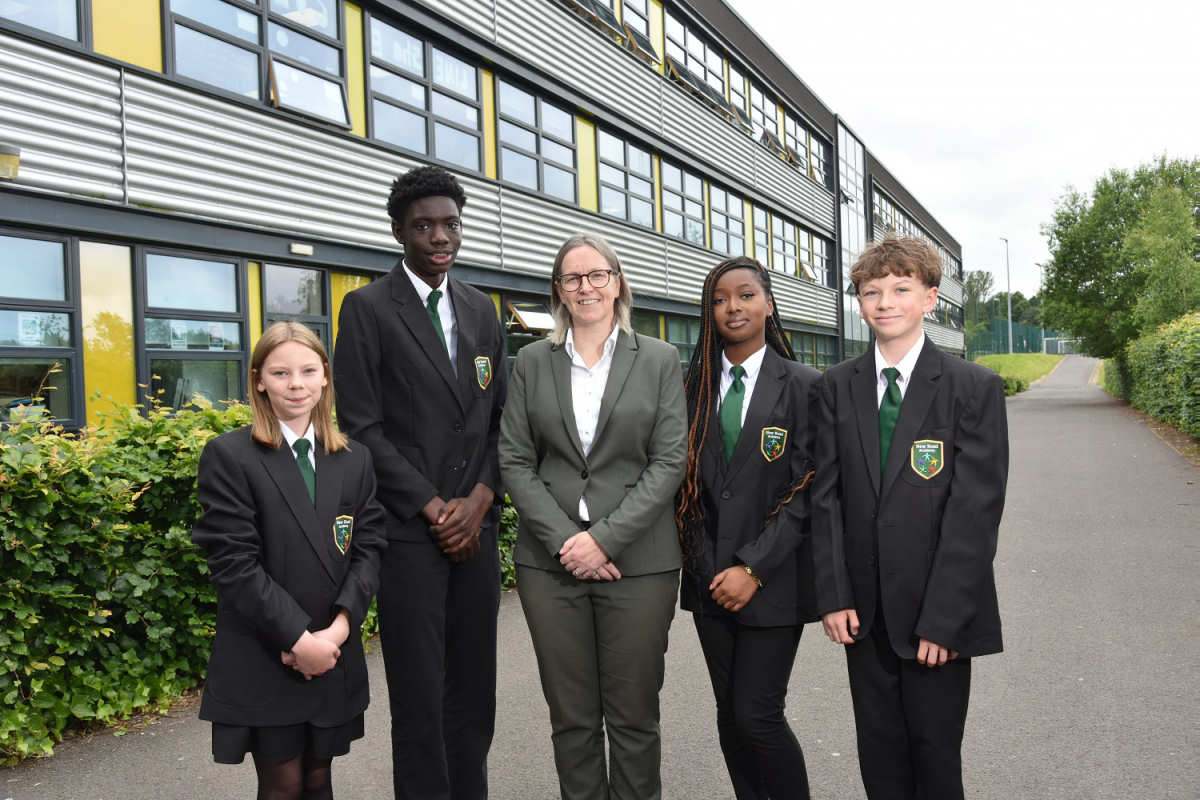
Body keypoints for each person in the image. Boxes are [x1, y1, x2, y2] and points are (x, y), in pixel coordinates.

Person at [811, 237, 1009, 800]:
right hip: (864, 614)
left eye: (901, 289)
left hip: (935, 617)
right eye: (871, 292)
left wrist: (944, 618)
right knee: (879, 755)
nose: (885, 302)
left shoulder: (973, 389)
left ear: (930, 297)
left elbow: (975, 514)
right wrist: (833, 593)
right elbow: (824, 497)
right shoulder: (835, 388)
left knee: (934, 756)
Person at [333, 165, 506, 800]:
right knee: (419, 699)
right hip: (412, 537)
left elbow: (499, 420)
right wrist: (437, 508)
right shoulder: (368, 309)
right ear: (399, 231)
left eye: (450, 224)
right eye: (424, 225)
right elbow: (362, 427)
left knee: (474, 693)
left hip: (477, 533)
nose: (441, 237)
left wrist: (481, 498)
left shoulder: (481, 309)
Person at [499, 233, 687, 800]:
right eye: (573, 278)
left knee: (632, 716)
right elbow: (513, 457)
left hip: (639, 564)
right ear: (558, 291)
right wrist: (567, 541)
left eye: (597, 275)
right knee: (572, 716)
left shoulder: (658, 358)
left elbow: (669, 458)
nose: (586, 287)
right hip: (550, 566)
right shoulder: (532, 361)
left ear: (617, 281)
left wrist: (603, 541)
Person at [192, 321, 387, 799]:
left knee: (320, 780)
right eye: (281, 373)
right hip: (267, 651)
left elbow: (369, 547)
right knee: (283, 786)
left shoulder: (354, 459)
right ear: (259, 380)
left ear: (325, 378)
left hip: (331, 649)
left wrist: (335, 634)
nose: (295, 384)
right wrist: (297, 640)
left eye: (307, 371)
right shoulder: (230, 456)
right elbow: (235, 563)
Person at [675, 256, 820, 800]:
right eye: (718, 299)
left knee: (757, 714)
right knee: (729, 716)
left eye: (745, 296)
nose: (732, 307)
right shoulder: (692, 388)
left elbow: (811, 487)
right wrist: (710, 566)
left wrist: (752, 566)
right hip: (709, 578)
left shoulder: (806, 386)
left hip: (773, 579)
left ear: (770, 304)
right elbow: (679, 483)